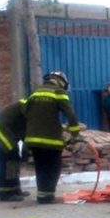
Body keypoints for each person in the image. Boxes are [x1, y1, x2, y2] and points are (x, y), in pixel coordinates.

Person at [24, 71, 81, 204]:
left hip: (33, 139)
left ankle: (42, 196)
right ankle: (48, 196)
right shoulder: (59, 92)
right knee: (53, 167)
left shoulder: (35, 92)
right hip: (51, 139)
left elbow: (25, 110)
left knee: (41, 168)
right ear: (61, 82)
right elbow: (71, 115)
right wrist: (75, 135)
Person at [0, 99, 30, 202]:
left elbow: (24, 133)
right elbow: (27, 133)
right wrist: (25, 152)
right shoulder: (28, 108)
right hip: (0, 131)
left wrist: (25, 152)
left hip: (6, 131)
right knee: (8, 160)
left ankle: (15, 190)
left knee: (13, 160)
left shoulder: (27, 108)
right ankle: (5, 193)